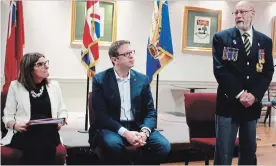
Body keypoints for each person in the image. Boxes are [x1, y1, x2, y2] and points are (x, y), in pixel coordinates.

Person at [88, 40, 171, 165]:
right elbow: (101, 116)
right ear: (115, 60)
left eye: (132, 52)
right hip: (112, 127)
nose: (131, 56)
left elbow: (150, 112)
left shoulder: (142, 80)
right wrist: (126, 133)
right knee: (113, 145)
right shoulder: (100, 80)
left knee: (163, 146)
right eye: (126, 54)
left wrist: (144, 132)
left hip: (137, 126)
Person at [212, 1, 274, 165]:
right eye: (236, 13)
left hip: (251, 107)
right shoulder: (222, 38)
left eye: (243, 12)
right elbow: (220, 70)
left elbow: (267, 72)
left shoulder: (265, 41)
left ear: (252, 13)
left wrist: (255, 95)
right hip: (228, 105)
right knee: (224, 154)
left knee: (248, 153)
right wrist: (240, 94)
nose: (239, 16)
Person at [1, 52, 68, 165]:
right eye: (40, 64)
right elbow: (7, 116)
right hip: (24, 133)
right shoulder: (15, 86)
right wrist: (15, 125)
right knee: (39, 139)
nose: (46, 66)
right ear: (29, 69)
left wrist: (61, 120)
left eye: (46, 63)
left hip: (49, 132)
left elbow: (62, 110)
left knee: (43, 136)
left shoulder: (54, 86)